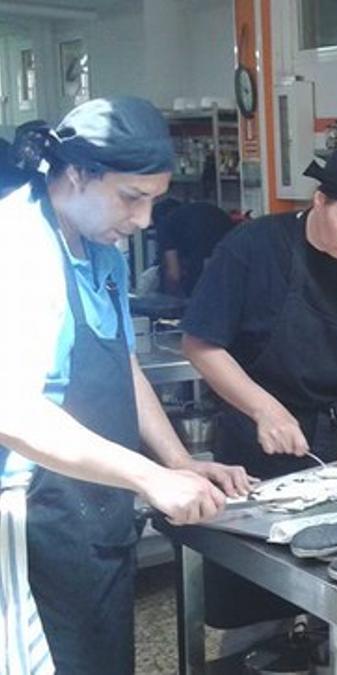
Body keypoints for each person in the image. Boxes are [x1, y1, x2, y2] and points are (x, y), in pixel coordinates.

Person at [0, 97, 245, 675]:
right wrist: (147, 475)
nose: (142, 220)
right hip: (31, 521)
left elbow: (121, 367)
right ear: (77, 173)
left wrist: (179, 461)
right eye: (132, 198)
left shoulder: (100, 248)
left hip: (93, 512)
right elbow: (12, 409)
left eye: (153, 201)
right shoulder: (19, 248)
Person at [181, 140, 337, 631]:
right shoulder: (253, 248)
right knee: (255, 602)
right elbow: (201, 344)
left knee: (336, 592)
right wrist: (264, 409)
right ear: (320, 199)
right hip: (255, 456)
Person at [157, 200, 235, 297]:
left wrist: (171, 299)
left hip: (202, 252)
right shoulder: (188, 214)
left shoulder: (165, 225)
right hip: (229, 238)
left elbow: (173, 274)